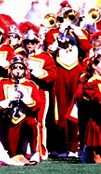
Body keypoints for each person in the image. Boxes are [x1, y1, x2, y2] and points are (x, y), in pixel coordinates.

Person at [46, 2, 92, 157]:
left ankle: (75, 146)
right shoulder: (52, 33)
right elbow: (50, 49)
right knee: (59, 109)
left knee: (75, 109)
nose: (65, 20)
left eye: (69, 17)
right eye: (62, 18)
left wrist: (75, 29)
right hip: (59, 72)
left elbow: (86, 47)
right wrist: (60, 34)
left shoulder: (80, 31)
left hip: (76, 72)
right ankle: (60, 146)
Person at [18, 21, 57, 160]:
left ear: (38, 43)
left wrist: (38, 72)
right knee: (22, 121)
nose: (30, 45)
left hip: (40, 92)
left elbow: (52, 75)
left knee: (40, 122)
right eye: (27, 42)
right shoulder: (19, 55)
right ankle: (24, 149)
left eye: (33, 42)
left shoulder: (45, 56)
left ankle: (40, 150)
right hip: (22, 92)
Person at [0, 55, 41, 164]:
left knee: (32, 123)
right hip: (9, 121)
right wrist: (9, 100)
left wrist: (26, 99)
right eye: (15, 67)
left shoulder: (31, 85)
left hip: (24, 119)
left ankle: (34, 152)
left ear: (25, 70)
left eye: (21, 67)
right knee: (13, 154)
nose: (18, 70)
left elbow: (37, 106)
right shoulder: (2, 83)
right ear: (10, 69)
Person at [76, 50, 101, 163]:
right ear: (95, 66)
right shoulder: (91, 83)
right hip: (97, 122)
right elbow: (98, 100)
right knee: (97, 158)